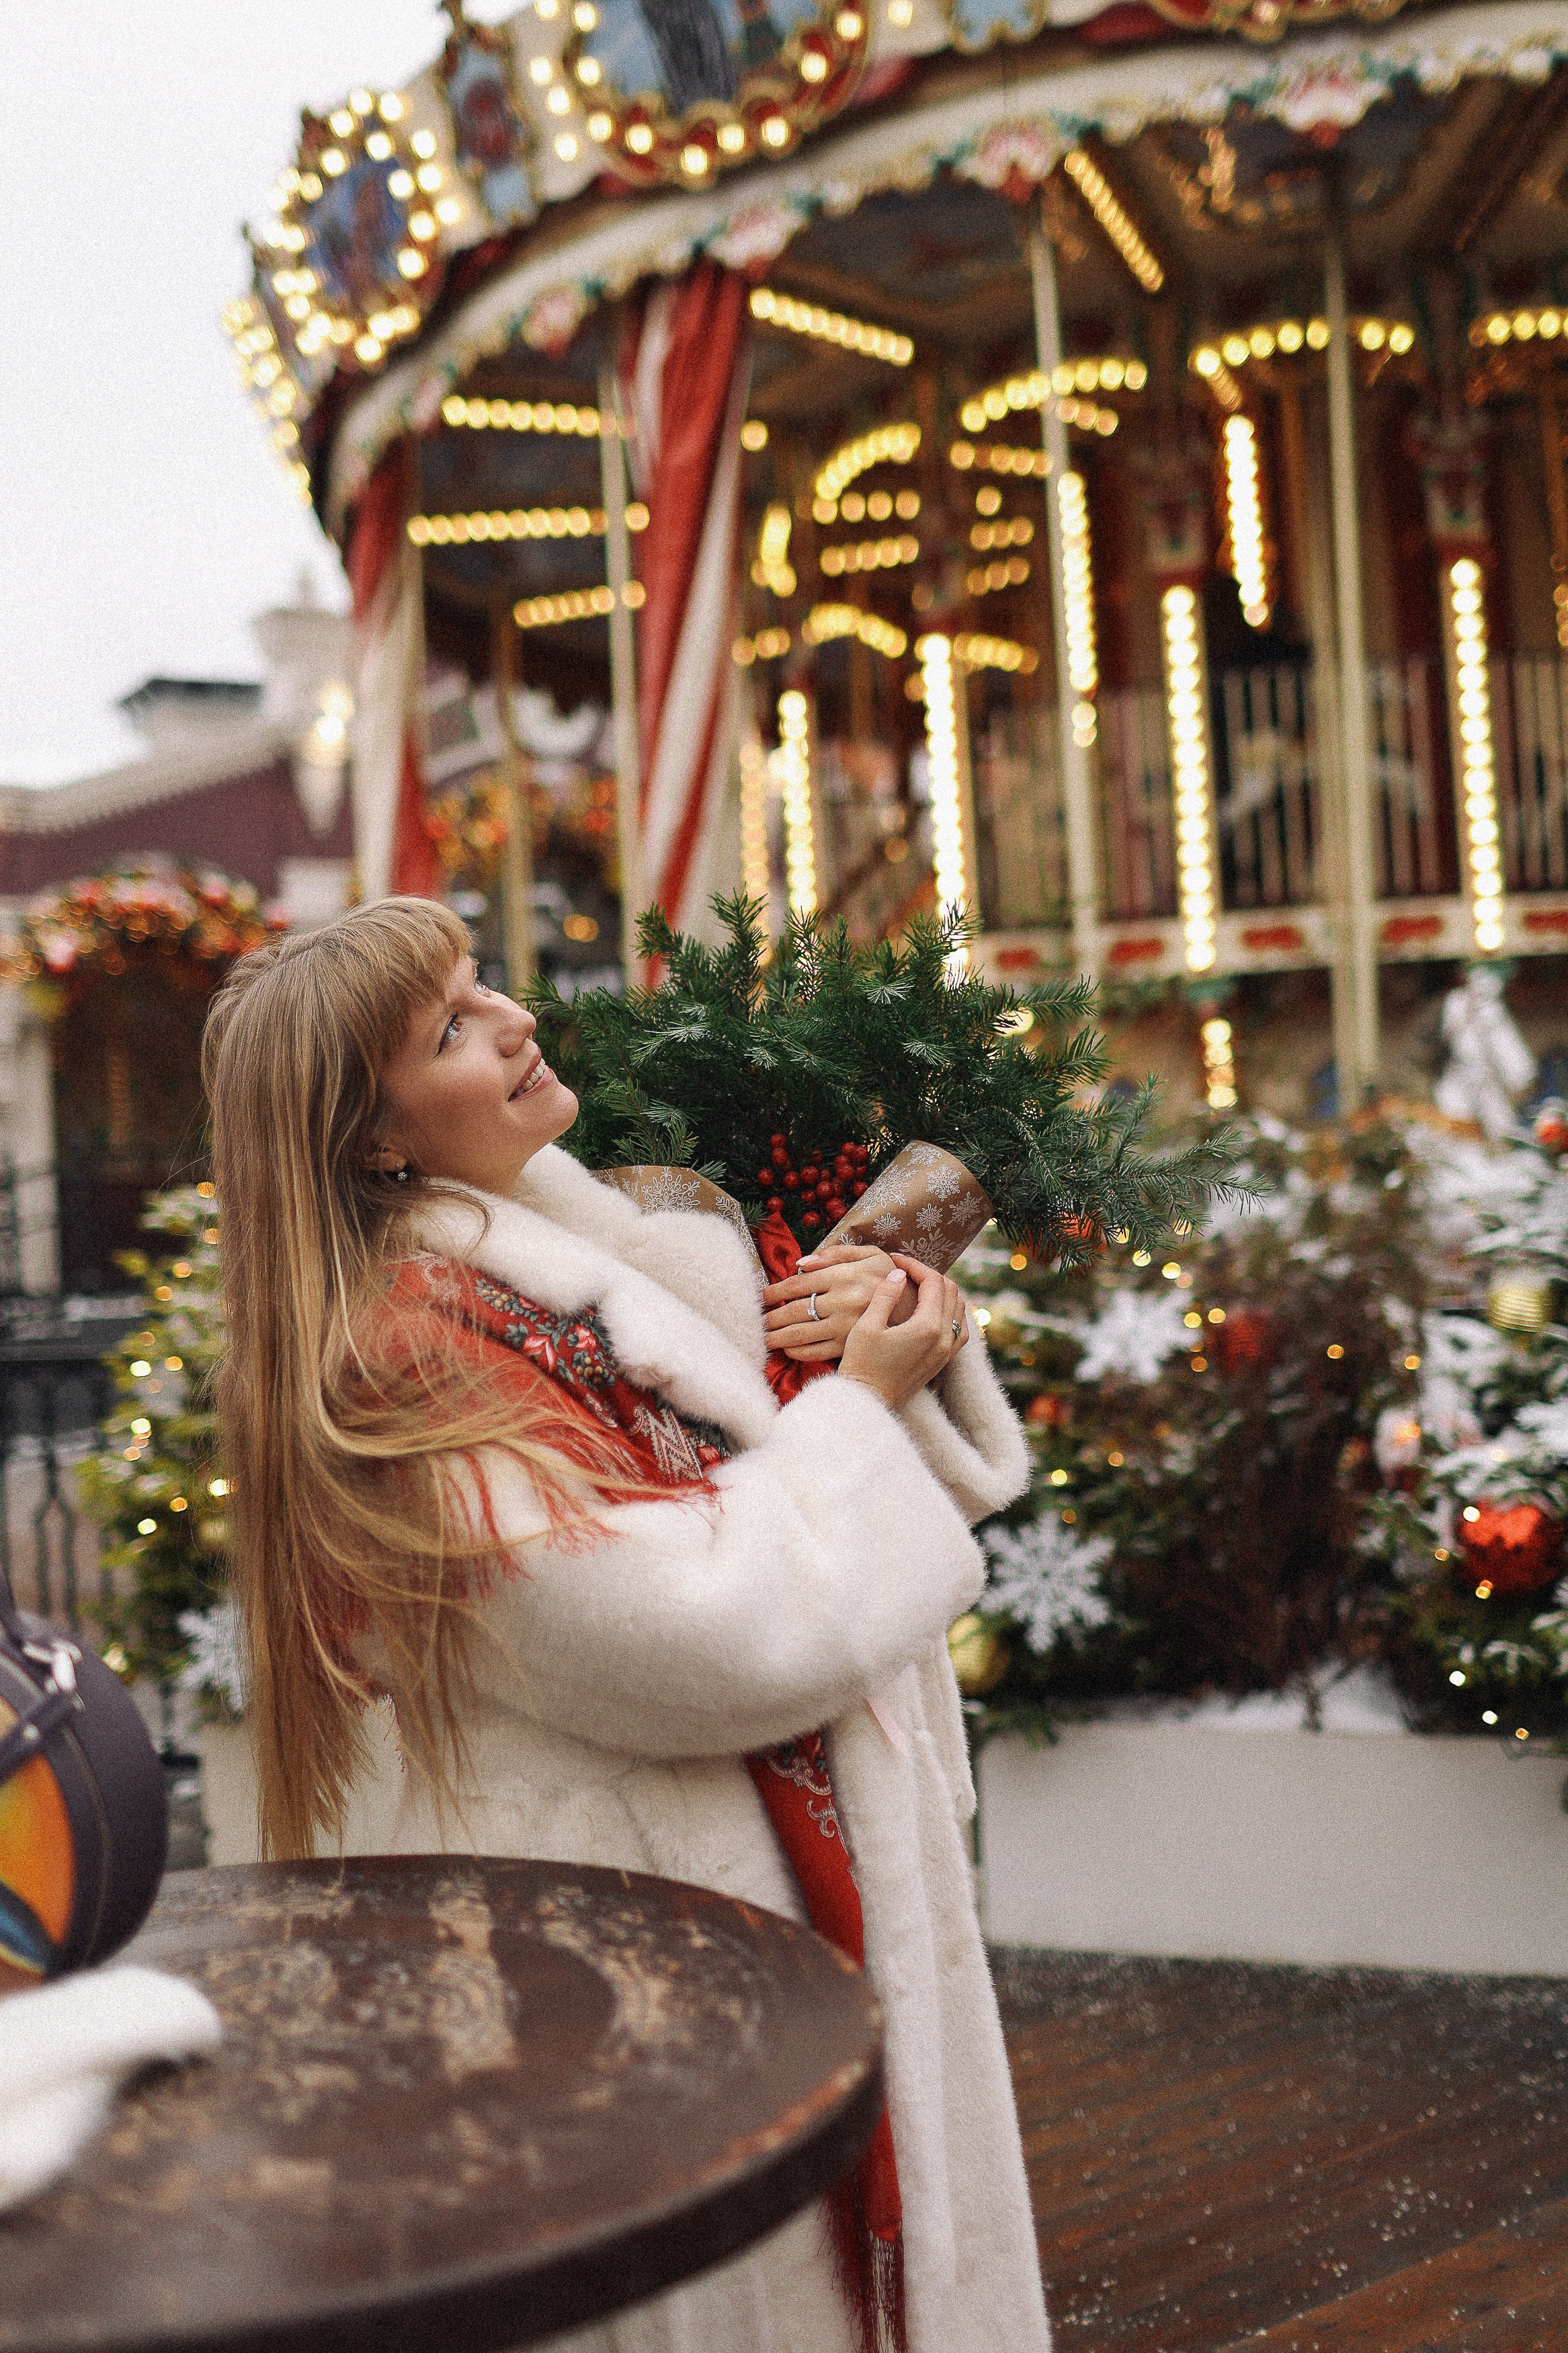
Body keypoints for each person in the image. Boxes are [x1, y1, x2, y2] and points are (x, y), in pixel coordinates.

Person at [203, 898, 1050, 2353]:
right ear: (375, 1140)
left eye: (485, 988)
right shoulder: (411, 1356)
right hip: (644, 1960)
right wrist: (862, 1397)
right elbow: (676, 1630)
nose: (516, 1018)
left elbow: (761, 1465)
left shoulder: (572, 1259)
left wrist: (895, 1329)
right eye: (453, 1027)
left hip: (722, 1911)